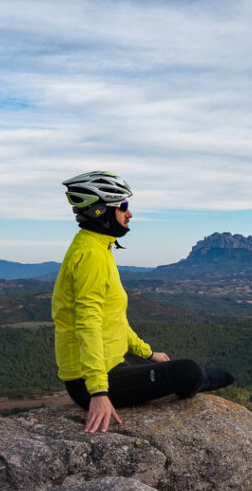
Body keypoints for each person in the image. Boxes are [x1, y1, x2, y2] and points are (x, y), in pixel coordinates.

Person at [52, 170, 233, 433]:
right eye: (123, 206)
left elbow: (112, 320)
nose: (129, 213)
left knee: (166, 363)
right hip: (90, 380)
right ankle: (199, 381)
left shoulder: (98, 247)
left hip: (110, 362)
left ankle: (171, 372)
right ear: (100, 211)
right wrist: (99, 392)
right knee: (189, 371)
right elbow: (87, 324)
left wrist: (147, 353)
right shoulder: (91, 256)